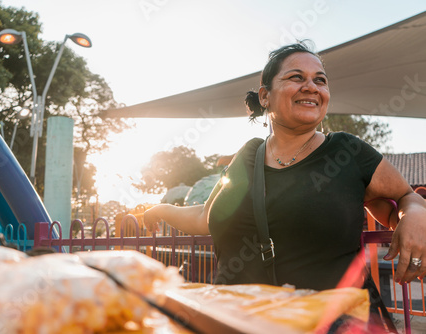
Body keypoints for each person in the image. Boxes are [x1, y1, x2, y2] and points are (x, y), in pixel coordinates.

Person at [144, 41, 426, 291]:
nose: (311, 87)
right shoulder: (248, 156)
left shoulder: (346, 151)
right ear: (265, 96)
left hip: (330, 322)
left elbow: (405, 196)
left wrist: (414, 211)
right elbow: (206, 216)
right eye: (296, 77)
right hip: (240, 319)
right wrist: (161, 210)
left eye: (320, 80)